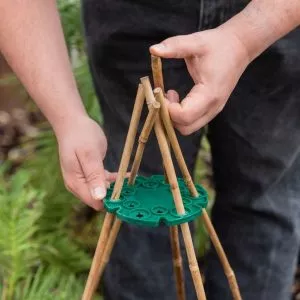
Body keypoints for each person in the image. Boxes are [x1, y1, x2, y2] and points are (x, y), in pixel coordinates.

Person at [1, 0, 300, 299]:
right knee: (137, 194)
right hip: (131, 19)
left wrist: (244, 38)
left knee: (261, 198)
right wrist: (68, 119)